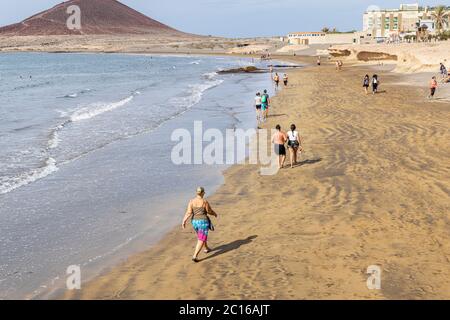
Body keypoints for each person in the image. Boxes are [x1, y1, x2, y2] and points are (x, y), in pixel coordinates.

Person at [182, 187, 218, 263]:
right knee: (201, 238)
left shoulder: (191, 201)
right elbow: (209, 211)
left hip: (194, 222)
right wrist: (214, 213)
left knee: (201, 235)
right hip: (203, 222)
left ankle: (206, 248)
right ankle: (195, 256)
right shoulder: (204, 201)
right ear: (203, 193)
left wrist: (184, 220)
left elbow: (189, 212)